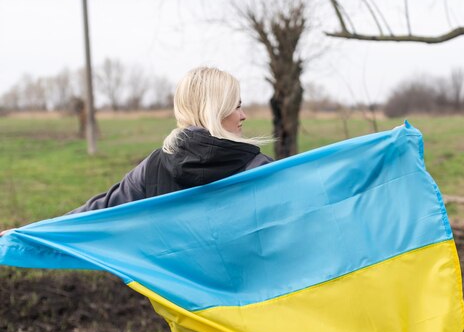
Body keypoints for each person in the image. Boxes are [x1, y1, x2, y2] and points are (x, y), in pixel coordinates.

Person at [0, 67, 272, 234]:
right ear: (215, 110)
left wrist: (29, 234)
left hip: (187, 313)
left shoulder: (154, 168)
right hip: (252, 313)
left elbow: (96, 216)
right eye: (236, 105)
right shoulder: (260, 170)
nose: (244, 115)